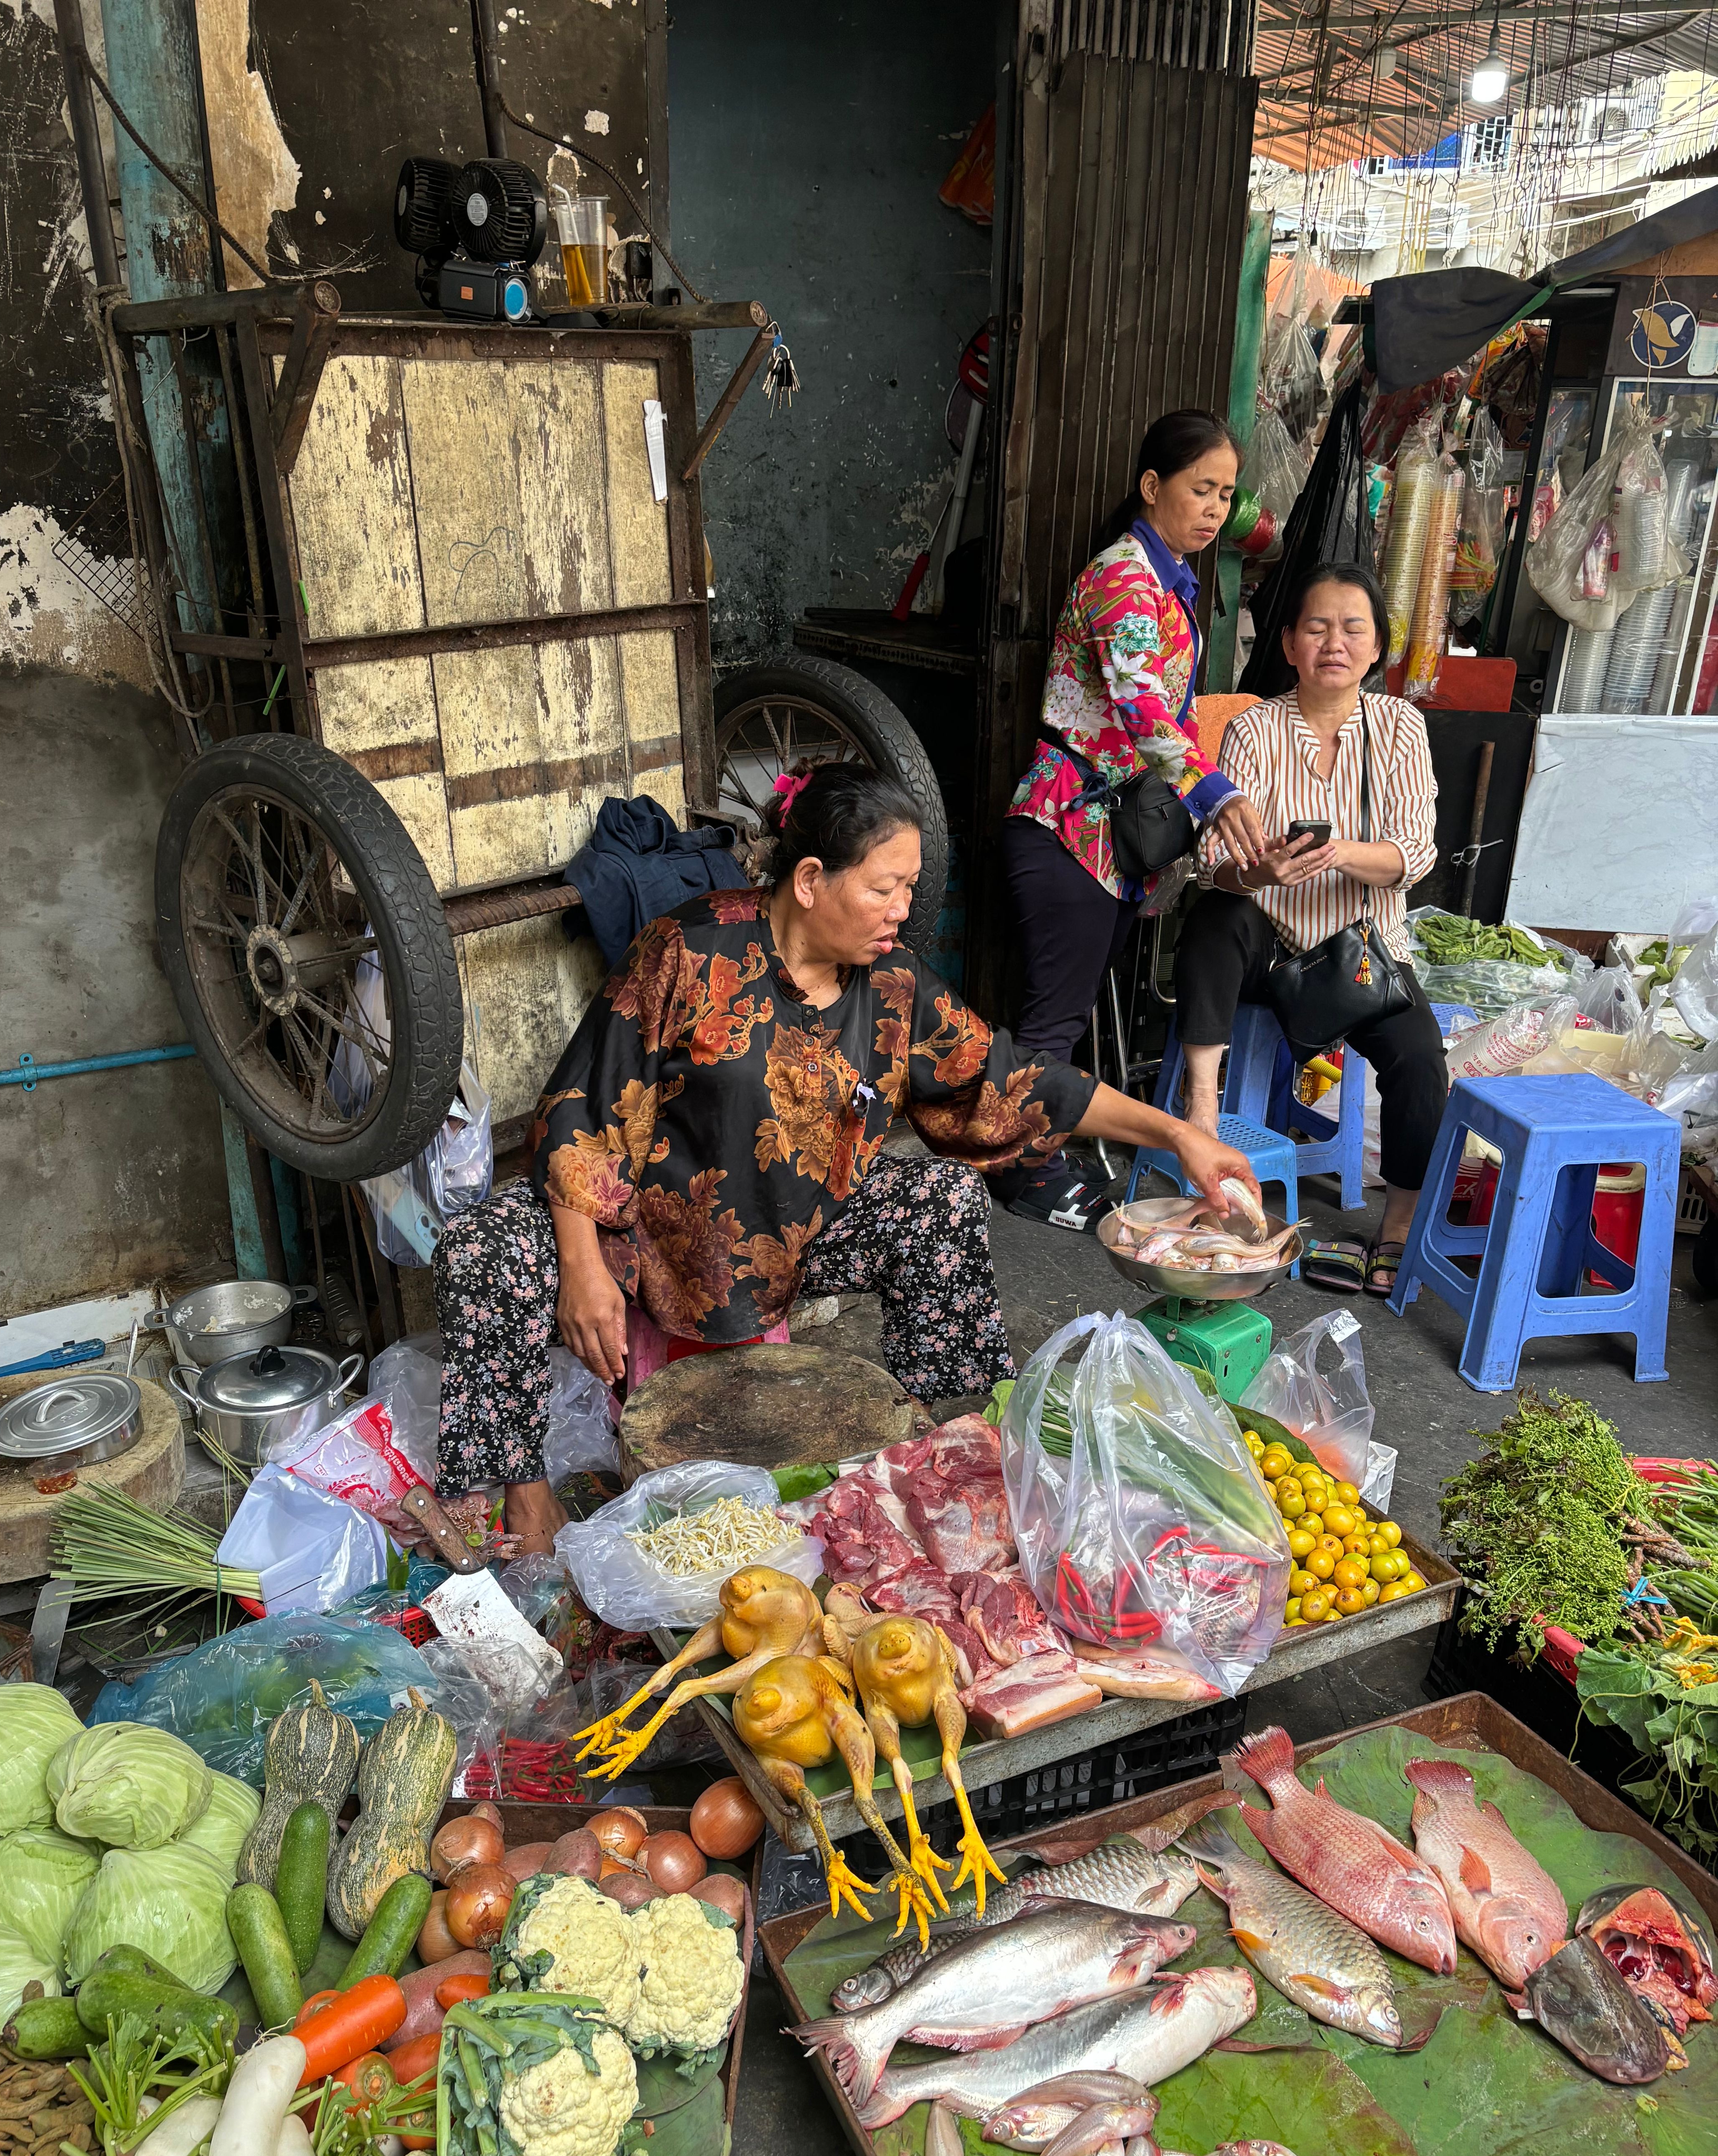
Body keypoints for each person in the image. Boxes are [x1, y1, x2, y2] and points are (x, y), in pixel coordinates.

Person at [432, 763, 1259, 1550]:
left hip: (799, 1233)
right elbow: (583, 1107)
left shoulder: (894, 986)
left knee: (942, 1200)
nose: (902, 910)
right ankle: (524, 1492)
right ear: (809, 880)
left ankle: (945, 1447)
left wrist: (1180, 1134)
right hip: (648, 1235)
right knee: (483, 1248)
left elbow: (1014, 1081)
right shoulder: (689, 949)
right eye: (883, 888)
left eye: (909, 889)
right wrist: (581, 1265)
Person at [996, 408, 1270, 1231]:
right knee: (1053, 1017)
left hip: (1108, 836)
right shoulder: (1123, 576)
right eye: (1201, 488)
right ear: (1153, 486)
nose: (1216, 508)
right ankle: (1024, 1172)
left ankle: (1036, 1149)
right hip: (1068, 825)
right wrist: (1215, 794)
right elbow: (1142, 705)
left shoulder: (1168, 576)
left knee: (1070, 1004)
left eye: (1226, 494)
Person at [1173, 563, 1450, 1299]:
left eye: (1354, 628)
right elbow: (1210, 861)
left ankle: (1397, 1226)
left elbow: (1416, 853)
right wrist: (1258, 871)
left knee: (1422, 1062)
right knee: (1216, 916)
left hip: (1361, 955)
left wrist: (1339, 854)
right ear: (1290, 643)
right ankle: (1203, 1112)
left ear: (1376, 646)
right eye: (1317, 627)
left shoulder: (1399, 727)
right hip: (1268, 946)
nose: (1335, 643)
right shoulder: (1256, 729)